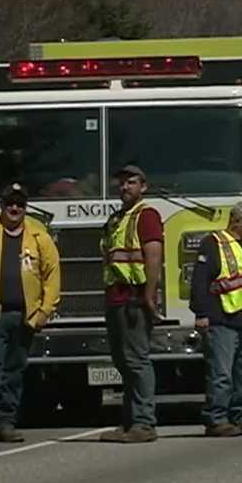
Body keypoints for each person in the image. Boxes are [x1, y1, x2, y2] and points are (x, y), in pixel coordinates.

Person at [0, 183, 61, 443]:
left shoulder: (40, 238)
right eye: (9, 203)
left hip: (25, 317)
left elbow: (52, 277)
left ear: (26, 208)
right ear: (1, 206)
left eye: (20, 204)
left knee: (14, 372)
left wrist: (43, 312)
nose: (14, 208)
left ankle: (6, 422)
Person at [189, 202, 242, 437]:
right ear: (237, 222)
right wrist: (201, 314)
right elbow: (200, 281)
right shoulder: (214, 244)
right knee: (221, 373)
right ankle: (217, 418)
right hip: (222, 318)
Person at [98, 165, 164, 443]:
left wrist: (149, 295)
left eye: (132, 182)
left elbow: (153, 256)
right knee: (123, 362)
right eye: (122, 183)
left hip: (135, 298)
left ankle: (144, 423)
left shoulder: (146, 215)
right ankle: (129, 422)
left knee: (137, 361)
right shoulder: (117, 219)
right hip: (116, 298)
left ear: (143, 187)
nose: (125, 187)